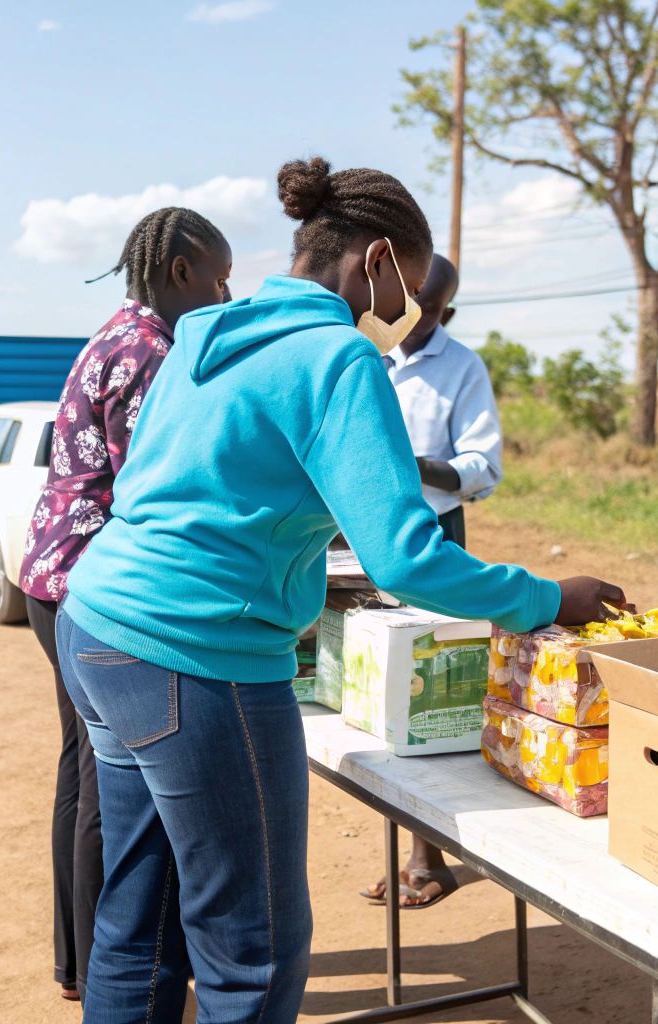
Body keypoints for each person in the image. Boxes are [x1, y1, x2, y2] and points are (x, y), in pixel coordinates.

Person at [54, 156, 625, 1023]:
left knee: (140, 922)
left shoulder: (203, 334)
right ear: (379, 262)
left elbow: (191, 491)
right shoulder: (338, 359)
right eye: (416, 291)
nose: (413, 313)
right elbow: (405, 559)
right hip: (197, 659)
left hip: (99, 625)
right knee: (253, 951)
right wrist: (550, 597)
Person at [19, 207, 233, 1003]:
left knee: (83, 767)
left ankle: (79, 961)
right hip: (93, 584)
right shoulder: (153, 353)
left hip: (53, 572)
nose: (225, 292)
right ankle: (112, 963)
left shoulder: (115, 331)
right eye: (219, 277)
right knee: (117, 786)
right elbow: (160, 481)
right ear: (181, 273)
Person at [359, 253, 501, 911]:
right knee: (368, 691)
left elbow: (480, 464)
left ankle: (428, 854)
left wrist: (417, 466)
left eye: (433, 309)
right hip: (352, 536)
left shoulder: (460, 368)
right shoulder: (359, 352)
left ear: (447, 311)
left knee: (428, 693)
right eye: (409, 303)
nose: (417, 319)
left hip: (432, 538)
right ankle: (405, 842)